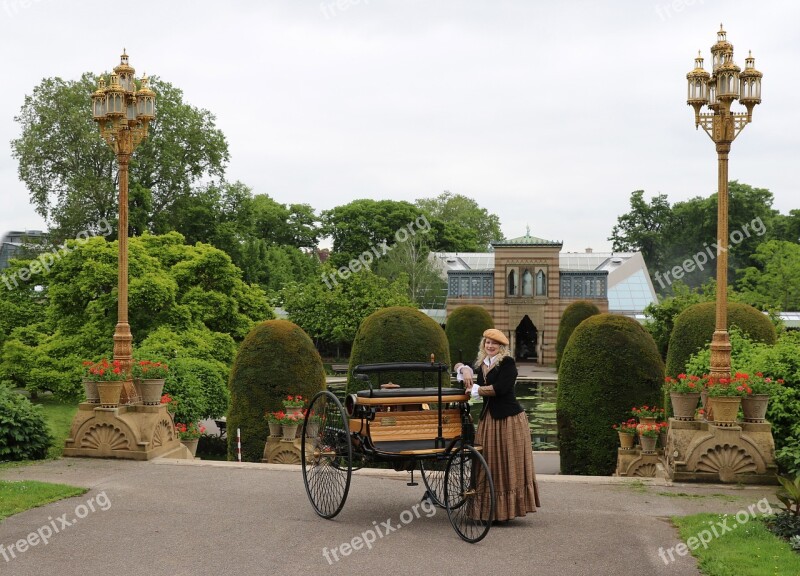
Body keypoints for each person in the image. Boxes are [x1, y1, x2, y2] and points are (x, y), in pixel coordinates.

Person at [454, 328, 541, 521]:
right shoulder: (482, 363)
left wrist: (476, 389)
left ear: (501, 347)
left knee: (506, 462)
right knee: (487, 460)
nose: (490, 346)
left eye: (494, 344)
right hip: (489, 420)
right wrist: (464, 369)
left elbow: (501, 389)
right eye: (487, 342)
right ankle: (486, 511)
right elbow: (458, 364)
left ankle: (505, 511)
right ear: (483, 345)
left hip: (508, 419)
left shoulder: (507, 363)